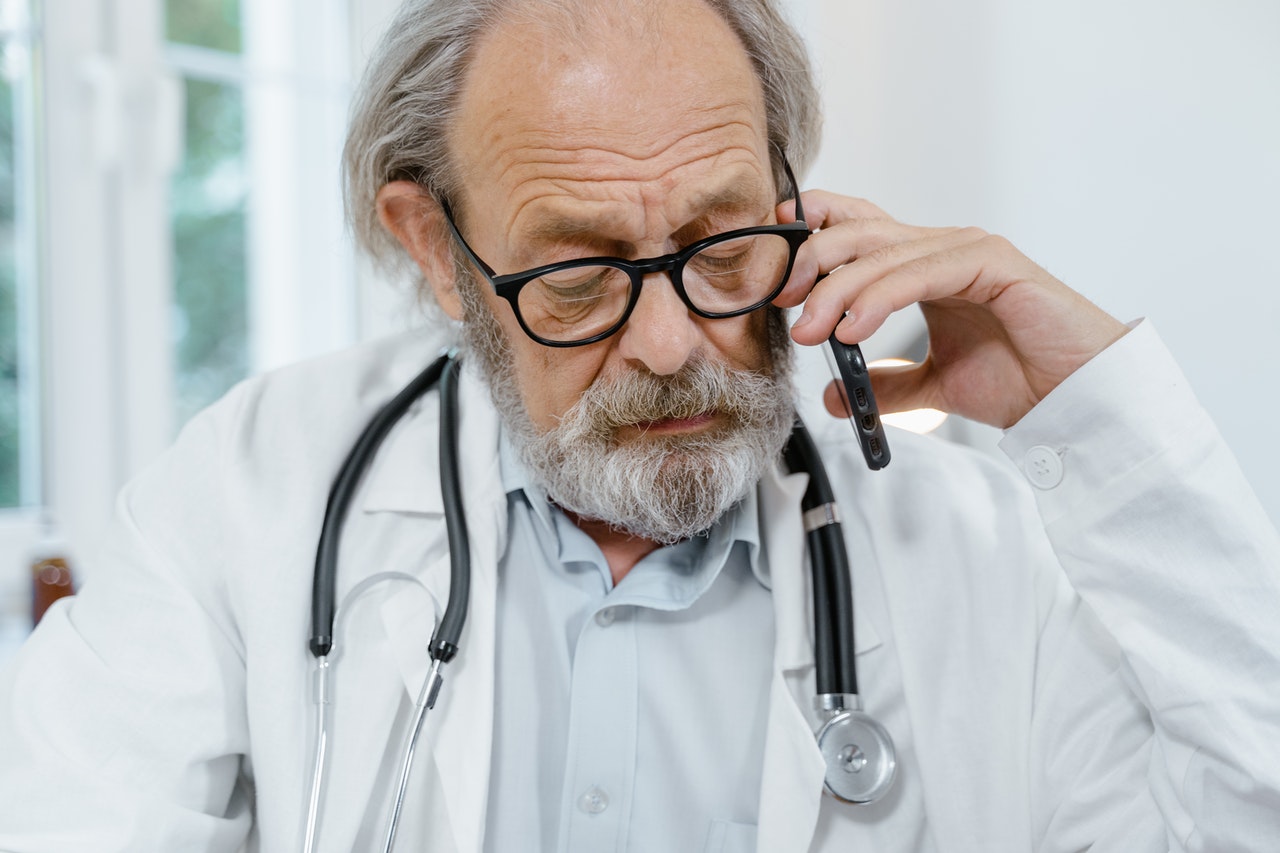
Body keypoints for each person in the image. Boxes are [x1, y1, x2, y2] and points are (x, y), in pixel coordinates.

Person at [2, 0, 1278, 849]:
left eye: (722, 244)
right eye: (578, 273)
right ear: (435, 251)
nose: (669, 346)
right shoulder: (257, 493)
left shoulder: (977, 544)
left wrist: (1094, 409)